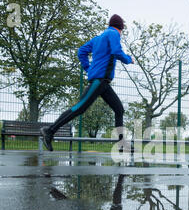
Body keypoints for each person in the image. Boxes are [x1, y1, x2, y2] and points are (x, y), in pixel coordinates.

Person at [40, 14, 134, 152]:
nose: (122, 32)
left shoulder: (98, 38)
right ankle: (50, 131)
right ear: (120, 27)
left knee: (119, 109)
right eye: (122, 29)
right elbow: (116, 51)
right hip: (99, 80)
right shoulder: (113, 33)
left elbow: (81, 51)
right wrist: (128, 59)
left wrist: (88, 68)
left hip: (103, 82)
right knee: (79, 108)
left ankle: (121, 144)